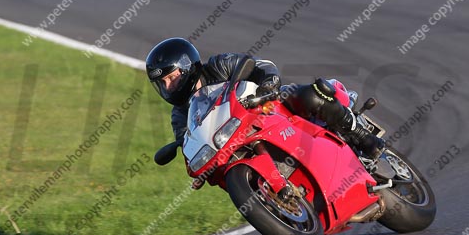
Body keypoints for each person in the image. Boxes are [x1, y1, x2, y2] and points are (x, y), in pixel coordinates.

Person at [145, 38, 384, 159]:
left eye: (172, 77)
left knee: (309, 96)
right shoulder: (179, 114)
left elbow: (261, 65)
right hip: (240, 141)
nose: (169, 86)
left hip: (268, 107)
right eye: (162, 83)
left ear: (187, 67)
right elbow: (188, 142)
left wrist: (267, 84)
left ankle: (361, 135)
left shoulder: (218, 66)